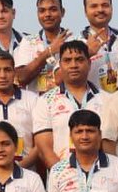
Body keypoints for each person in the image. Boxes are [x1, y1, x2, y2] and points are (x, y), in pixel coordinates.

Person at [33, 41, 105, 171]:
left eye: (79, 60)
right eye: (67, 60)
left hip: (100, 177)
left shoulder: (107, 99)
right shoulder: (45, 101)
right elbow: (44, 149)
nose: (74, 65)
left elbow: (108, 144)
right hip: (63, 180)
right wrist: (65, 176)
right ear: (60, 65)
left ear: (89, 64)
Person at [14, 0, 70, 94]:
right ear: (38, 14)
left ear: (62, 12)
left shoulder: (73, 41)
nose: (47, 14)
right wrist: (48, 52)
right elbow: (20, 78)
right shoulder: (28, 41)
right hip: (37, 105)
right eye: (42, 11)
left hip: (66, 105)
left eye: (53, 9)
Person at [79, 0, 118, 92]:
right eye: (94, 6)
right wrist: (86, 53)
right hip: (93, 104)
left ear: (111, 8)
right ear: (85, 12)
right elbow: (59, 78)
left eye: (105, 5)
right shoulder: (75, 43)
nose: (100, 9)